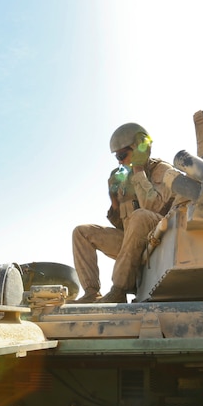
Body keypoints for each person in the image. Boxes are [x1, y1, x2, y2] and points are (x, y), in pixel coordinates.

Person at [72, 123, 180, 303]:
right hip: (134, 241)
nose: (120, 161)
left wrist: (138, 171)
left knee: (140, 216)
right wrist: (115, 201)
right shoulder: (125, 177)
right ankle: (91, 292)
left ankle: (119, 289)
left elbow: (152, 209)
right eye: (117, 157)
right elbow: (124, 226)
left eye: (123, 155)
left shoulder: (162, 170)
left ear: (140, 148)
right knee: (81, 232)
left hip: (159, 238)